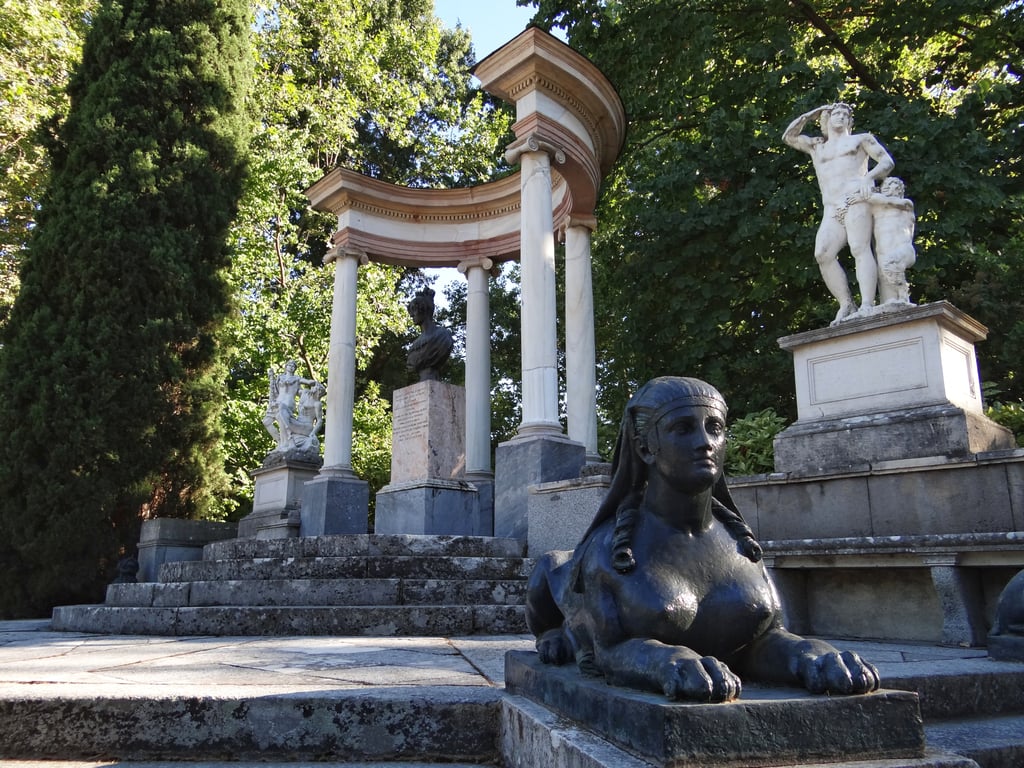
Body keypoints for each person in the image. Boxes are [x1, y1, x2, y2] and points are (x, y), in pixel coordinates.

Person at [525, 376, 880, 702]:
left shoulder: (743, 546)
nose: (705, 443)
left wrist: (807, 656)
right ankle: (552, 632)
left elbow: (761, 642)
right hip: (592, 620)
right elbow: (610, 651)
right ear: (646, 447)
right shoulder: (609, 552)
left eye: (715, 428)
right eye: (683, 428)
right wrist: (666, 660)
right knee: (552, 566)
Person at [783, 103, 895, 325]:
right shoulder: (817, 147)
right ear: (826, 118)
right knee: (822, 254)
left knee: (859, 248)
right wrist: (811, 114)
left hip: (855, 198)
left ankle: (866, 305)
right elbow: (789, 137)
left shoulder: (860, 139)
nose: (841, 117)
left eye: (846, 115)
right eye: (837, 113)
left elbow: (887, 161)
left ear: (850, 122)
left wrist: (868, 177)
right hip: (832, 207)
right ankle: (847, 303)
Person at [865, 176, 916, 306]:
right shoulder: (877, 208)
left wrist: (868, 193)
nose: (887, 187)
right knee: (885, 277)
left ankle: (904, 294)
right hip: (883, 250)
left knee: (890, 264)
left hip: (903, 248)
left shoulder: (905, 204)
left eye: (892, 184)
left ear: (900, 189)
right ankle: (896, 301)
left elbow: (883, 200)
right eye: (885, 185)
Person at [263, 360, 319, 451]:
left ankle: (285, 444)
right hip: (277, 402)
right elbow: (275, 391)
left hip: (288, 405)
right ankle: (280, 441)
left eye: (294, 366)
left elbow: (306, 386)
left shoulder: (297, 379)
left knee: (282, 422)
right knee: (266, 422)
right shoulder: (280, 377)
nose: (292, 367)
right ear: (286, 366)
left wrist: (311, 383)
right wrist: (271, 379)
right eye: (290, 365)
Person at [405, 288, 453, 381]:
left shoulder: (443, 336)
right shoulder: (415, 344)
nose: (411, 315)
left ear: (424, 310)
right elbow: (411, 365)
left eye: (414, 310)